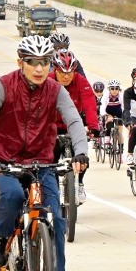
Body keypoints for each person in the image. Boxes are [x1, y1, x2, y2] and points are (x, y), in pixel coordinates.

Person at [0, 35, 89, 271]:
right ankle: (0, 240)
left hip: (41, 160)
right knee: (13, 196)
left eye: (44, 62)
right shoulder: (3, 86)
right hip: (4, 160)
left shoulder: (55, 90)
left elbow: (73, 120)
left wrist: (81, 151)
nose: (39, 69)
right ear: (20, 62)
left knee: (56, 219)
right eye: (32, 62)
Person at [48, 50, 99, 203]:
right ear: (55, 70)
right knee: (51, 158)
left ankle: (80, 183)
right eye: (62, 73)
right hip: (53, 125)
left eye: (70, 73)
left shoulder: (81, 81)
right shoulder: (47, 81)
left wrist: (93, 126)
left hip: (73, 124)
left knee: (82, 153)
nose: (66, 77)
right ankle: (52, 191)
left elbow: (90, 103)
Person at [99, 79, 125, 157]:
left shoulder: (121, 96)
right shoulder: (106, 96)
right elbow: (102, 107)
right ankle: (107, 138)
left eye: (116, 88)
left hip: (118, 113)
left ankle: (120, 153)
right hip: (108, 112)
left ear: (119, 89)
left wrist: (124, 116)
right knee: (109, 123)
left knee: (120, 133)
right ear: (109, 89)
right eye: (112, 88)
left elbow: (124, 107)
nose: (114, 90)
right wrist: (105, 115)